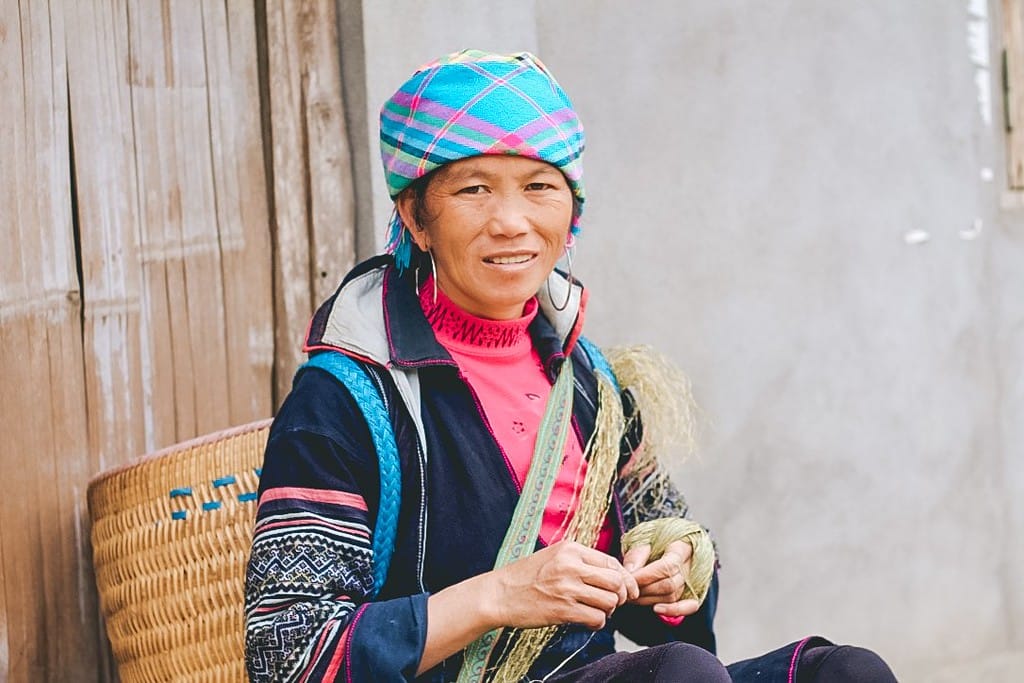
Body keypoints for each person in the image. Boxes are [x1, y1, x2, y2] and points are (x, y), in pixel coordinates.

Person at [244, 50, 897, 682]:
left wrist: (677, 564)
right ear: (417, 216)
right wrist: (500, 594)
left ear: (571, 213)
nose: (511, 221)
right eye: (474, 188)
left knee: (847, 671)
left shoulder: (591, 386)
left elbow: (667, 565)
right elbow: (288, 653)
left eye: (538, 188)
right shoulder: (346, 398)